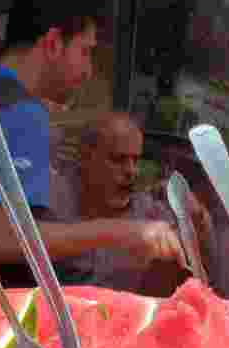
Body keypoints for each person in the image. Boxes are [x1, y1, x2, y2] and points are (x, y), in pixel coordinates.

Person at [0, 0, 185, 287]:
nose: (87, 71)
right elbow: (0, 236)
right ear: (54, 43)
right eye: (85, 51)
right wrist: (126, 231)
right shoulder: (21, 110)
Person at [48, 111, 206, 293]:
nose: (131, 171)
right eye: (118, 159)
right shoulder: (53, 201)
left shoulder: (151, 215)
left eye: (136, 160)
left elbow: (187, 282)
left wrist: (197, 223)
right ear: (85, 157)